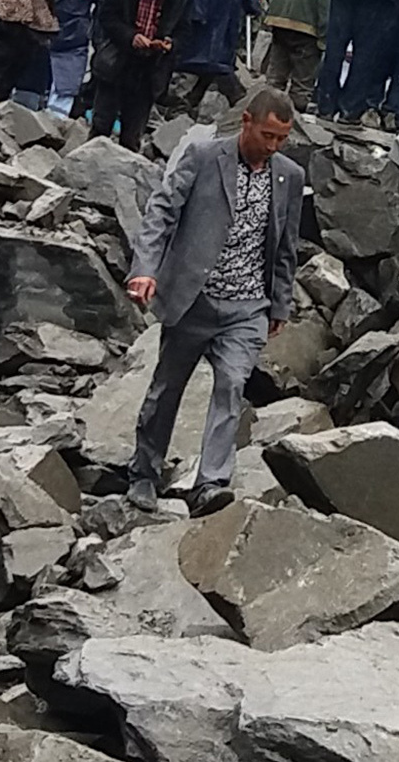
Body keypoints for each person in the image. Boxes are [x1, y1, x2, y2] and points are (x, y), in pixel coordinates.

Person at [122, 89, 305, 516]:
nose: (273, 146)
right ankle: (144, 474)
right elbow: (162, 212)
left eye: (282, 139)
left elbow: (286, 245)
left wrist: (279, 303)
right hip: (193, 299)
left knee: (231, 386)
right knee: (166, 390)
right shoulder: (203, 158)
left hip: (246, 306)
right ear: (246, 121)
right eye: (267, 135)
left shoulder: (289, 176)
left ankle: (211, 484)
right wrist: (145, 269)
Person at [91, 0, 200, 152]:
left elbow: (185, 31)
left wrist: (170, 43)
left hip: (150, 70)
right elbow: (107, 17)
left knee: (133, 134)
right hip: (117, 61)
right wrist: (130, 36)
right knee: (101, 123)